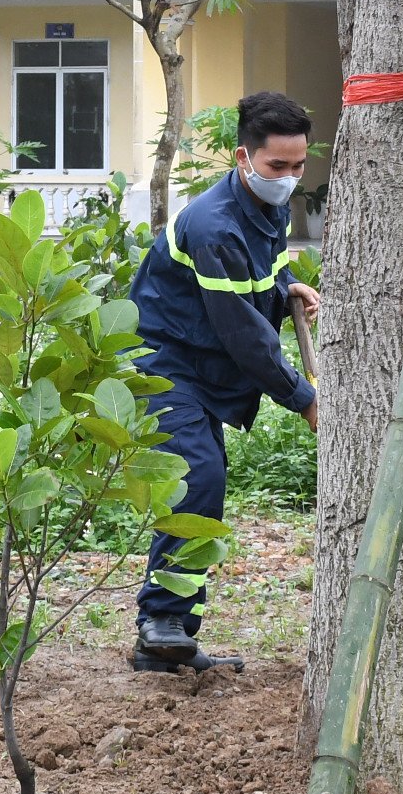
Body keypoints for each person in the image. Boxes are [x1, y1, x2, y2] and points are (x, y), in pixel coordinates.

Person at [127, 89, 322, 674]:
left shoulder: (267, 208)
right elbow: (243, 335)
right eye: (276, 166)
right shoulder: (213, 224)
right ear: (243, 157)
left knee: (205, 480)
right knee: (199, 475)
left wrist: (286, 288)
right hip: (166, 360)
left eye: (298, 166)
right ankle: (161, 619)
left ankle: (169, 642)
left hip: (203, 360)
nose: (288, 178)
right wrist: (304, 399)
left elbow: (262, 270)